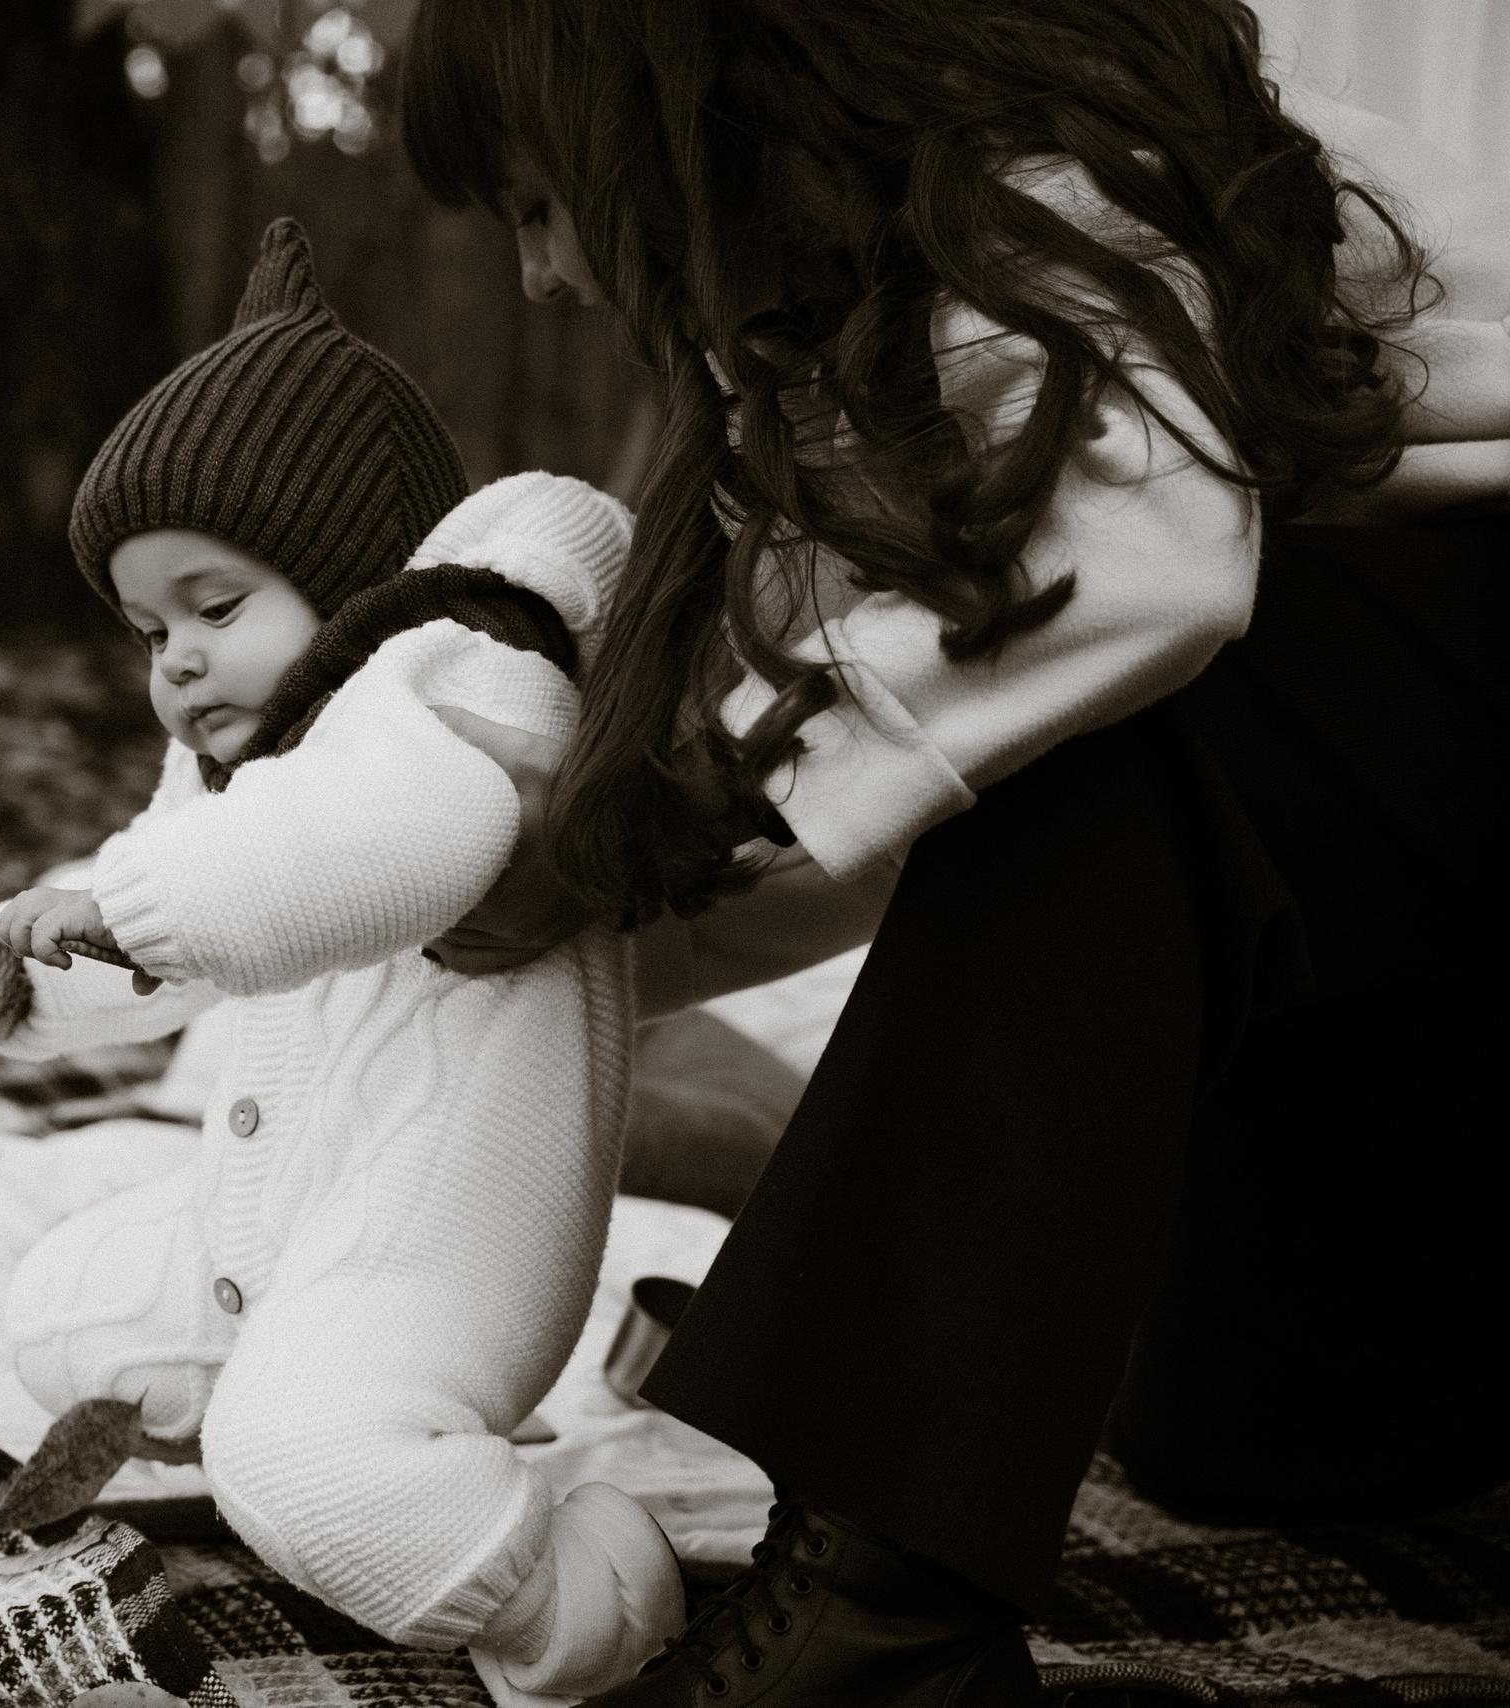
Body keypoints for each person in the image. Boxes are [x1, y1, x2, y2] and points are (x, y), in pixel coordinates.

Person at [399, 2, 1510, 1704]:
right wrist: (516, 938)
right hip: (1424, 935)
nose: (545, 274)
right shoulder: (838, 338)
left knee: (1130, 691)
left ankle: (875, 1630)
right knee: (1239, 1444)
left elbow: (1148, 592)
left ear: (642, 111)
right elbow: (876, 796)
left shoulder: (1057, 180)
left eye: (539, 202)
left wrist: (644, 838)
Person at [0, 220, 687, 1696]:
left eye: (216, 607)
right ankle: (270, 1393)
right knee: (69, 1308)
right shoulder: (247, 766)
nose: (172, 659)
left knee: (299, 1466)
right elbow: (188, 949)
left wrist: (126, 896)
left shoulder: (458, 679)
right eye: (144, 627)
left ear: (353, 578)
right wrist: (14, 990)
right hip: (285, 1219)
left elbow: (376, 849)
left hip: (441, 1241)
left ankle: (584, 1591)